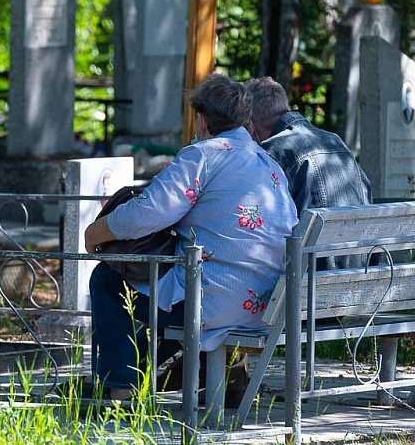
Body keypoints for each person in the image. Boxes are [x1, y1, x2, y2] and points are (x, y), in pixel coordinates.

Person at [84, 74, 298, 400]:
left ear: (200, 119)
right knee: (182, 280)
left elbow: (149, 211)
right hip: (267, 305)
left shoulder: (203, 156)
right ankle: (228, 378)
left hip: (214, 304)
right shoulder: (267, 163)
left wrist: (96, 231)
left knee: (108, 279)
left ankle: (120, 390)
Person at [245, 77, 372, 270]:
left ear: (251, 126)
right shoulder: (336, 143)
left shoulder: (270, 155)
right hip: (357, 280)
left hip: (309, 287)